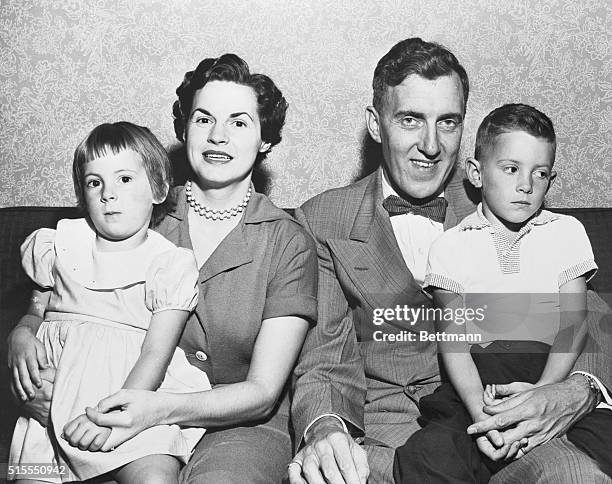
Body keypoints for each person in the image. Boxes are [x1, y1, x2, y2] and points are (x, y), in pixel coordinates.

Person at [289, 38, 612, 484]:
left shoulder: (505, 201)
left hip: (515, 422)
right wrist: (326, 426)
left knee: (579, 478)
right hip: (387, 438)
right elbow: (325, 355)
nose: (430, 145)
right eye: (410, 120)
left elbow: (588, 316)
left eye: (448, 122)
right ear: (376, 125)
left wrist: (575, 389)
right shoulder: (323, 218)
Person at [8, 54, 318, 483]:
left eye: (240, 123)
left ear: (266, 140)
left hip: (236, 426)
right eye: (204, 119)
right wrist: (29, 344)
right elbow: (52, 304)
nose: (219, 136)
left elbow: (263, 394)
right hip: (99, 405)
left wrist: (154, 409)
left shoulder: (288, 240)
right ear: (184, 128)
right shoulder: (130, 206)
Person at [394, 103, 612, 482]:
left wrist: (543, 394)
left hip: (547, 371)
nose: (526, 185)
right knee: (430, 456)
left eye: (540, 173)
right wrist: (481, 412)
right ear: (477, 173)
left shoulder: (566, 232)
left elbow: (574, 323)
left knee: (597, 445)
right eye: (511, 169)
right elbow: (454, 340)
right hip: (479, 382)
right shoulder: (451, 246)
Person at [8, 121, 211, 483]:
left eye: (125, 179)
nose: (108, 194)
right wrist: (21, 334)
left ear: (159, 189)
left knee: (154, 475)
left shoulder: (169, 263)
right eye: (94, 182)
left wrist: (113, 417)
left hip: (133, 402)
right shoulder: (58, 244)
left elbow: (155, 354)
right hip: (52, 411)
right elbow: (35, 310)